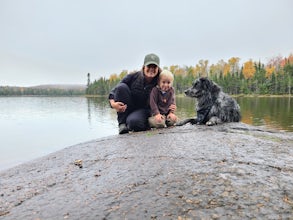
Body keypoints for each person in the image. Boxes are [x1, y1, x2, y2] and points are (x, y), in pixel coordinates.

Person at [109, 53, 176, 134]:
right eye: (149, 66)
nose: (151, 69)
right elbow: (114, 90)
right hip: (130, 106)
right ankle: (122, 124)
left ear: (158, 68)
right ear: (144, 66)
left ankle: (148, 123)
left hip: (147, 110)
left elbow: (169, 91)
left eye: (154, 67)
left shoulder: (161, 79)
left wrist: (171, 110)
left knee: (134, 123)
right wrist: (113, 104)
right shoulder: (133, 76)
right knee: (121, 87)